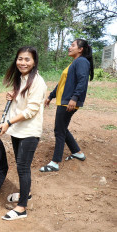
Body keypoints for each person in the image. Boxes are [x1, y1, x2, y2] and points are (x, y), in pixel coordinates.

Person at [0, 46, 47, 221]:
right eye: (20, 59)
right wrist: (14, 94)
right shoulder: (22, 78)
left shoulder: (37, 82)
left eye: (27, 59)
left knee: (23, 167)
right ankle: (27, 193)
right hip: (18, 130)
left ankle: (21, 208)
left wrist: (8, 122)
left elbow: (31, 111)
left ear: (34, 61)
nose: (23, 62)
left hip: (29, 131)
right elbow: (23, 101)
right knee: (20, 165)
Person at [40, 39, 94, 172]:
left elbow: (82, 80)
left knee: (59, 130)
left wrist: (74, 98)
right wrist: (51, 96)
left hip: (69, 101)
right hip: (64, 100)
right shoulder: (75, 62)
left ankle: (55, 162)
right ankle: (77, 152)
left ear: (80, 49)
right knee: (62, 128)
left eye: (73, 45)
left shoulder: (81, 62)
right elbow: (62, 83)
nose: (70, 47)